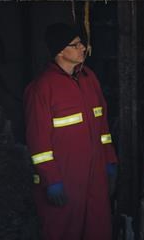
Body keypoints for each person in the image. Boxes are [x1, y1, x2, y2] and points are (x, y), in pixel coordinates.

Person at [24, 23, 118, 240]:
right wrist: (52, 180)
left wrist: (110, 160)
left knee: (99, 230)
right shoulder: (41, 88)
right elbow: (38, 142)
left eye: (81, 43)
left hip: (95, 176)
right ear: (60, 50)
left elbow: (103, 126)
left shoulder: (89, 78)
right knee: (63, 232)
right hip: (65, 179)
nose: (82, 48)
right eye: (75, 45)